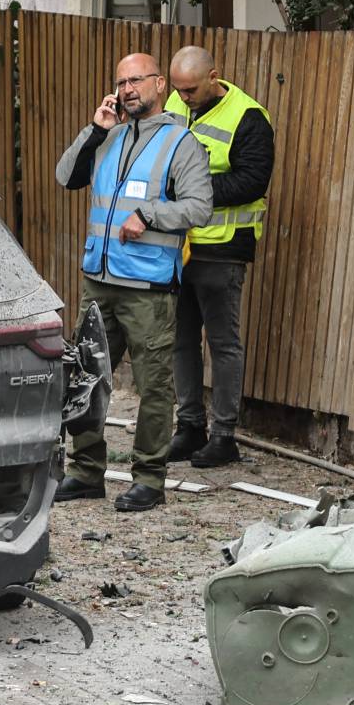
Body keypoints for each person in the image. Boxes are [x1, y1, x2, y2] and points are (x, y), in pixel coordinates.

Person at [53, 53, 212, 511]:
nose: (126, 89)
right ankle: (85, 472)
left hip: (148, 286)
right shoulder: (110, 136)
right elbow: (67, 177)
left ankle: (149, 478)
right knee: (86, 378)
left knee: (154, 386)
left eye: (136, 80)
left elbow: (200, 208)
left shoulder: (181, 143)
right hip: (99, 280)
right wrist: (95, 128)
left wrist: (150, 214)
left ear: (159, 84)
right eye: (120, 81)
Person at [164, 46, 275, 468]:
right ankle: (189, 426)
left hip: (223, 248)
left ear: (214, 76)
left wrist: (193, 194)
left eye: (191, 89)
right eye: (178, 89)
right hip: (177, 244)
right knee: (182, 339)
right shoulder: (176, 103)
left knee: (224, 343)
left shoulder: (249, 118)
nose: (184, 97)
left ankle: (224, 435)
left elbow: (251, 182)